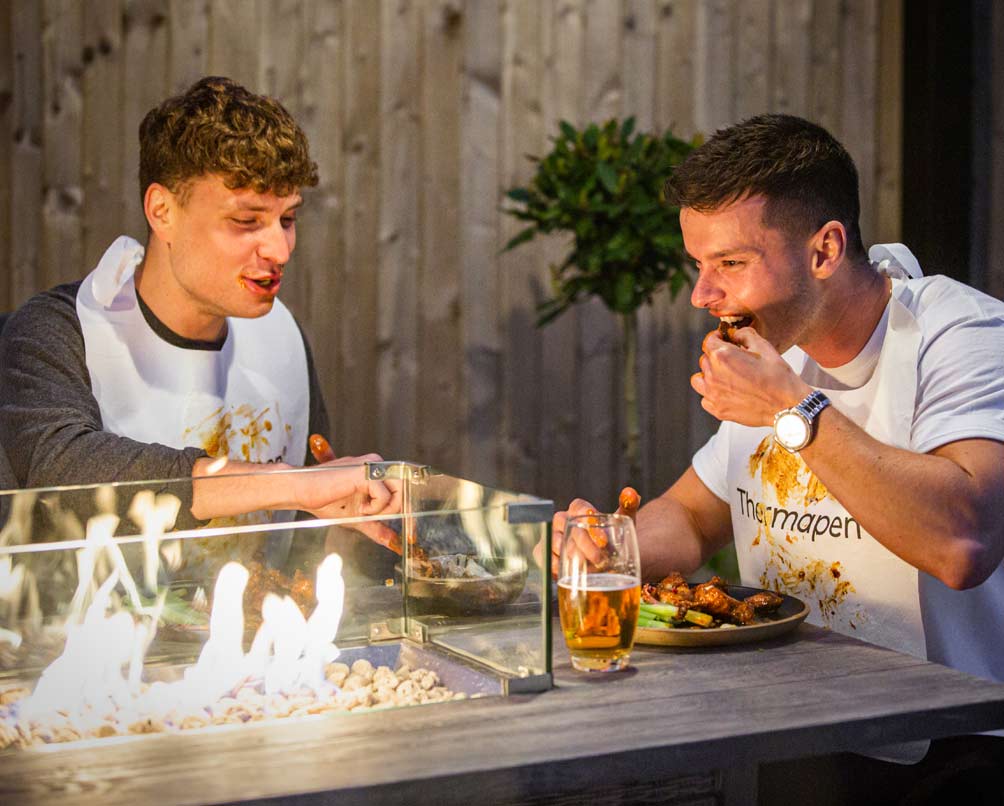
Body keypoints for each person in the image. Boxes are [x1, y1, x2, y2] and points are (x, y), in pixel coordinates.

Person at [552, 114, 1004, 804]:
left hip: (950, 745)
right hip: (792, 719)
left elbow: (964, 544)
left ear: (825, 250)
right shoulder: (779, 350)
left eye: (731, 264)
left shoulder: (963, 333)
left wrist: (791, 411)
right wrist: (608, 549)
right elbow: (694, 516)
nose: (703, 295)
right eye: (698, 266)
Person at [0, 76, 399, 548]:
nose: (280, 249)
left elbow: (301, 537)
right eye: (246, 221)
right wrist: (292, 482)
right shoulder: (57, 330)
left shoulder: (282, 336)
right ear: (162, 211)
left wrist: (336, 504)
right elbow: (60, 470)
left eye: (287, 219)